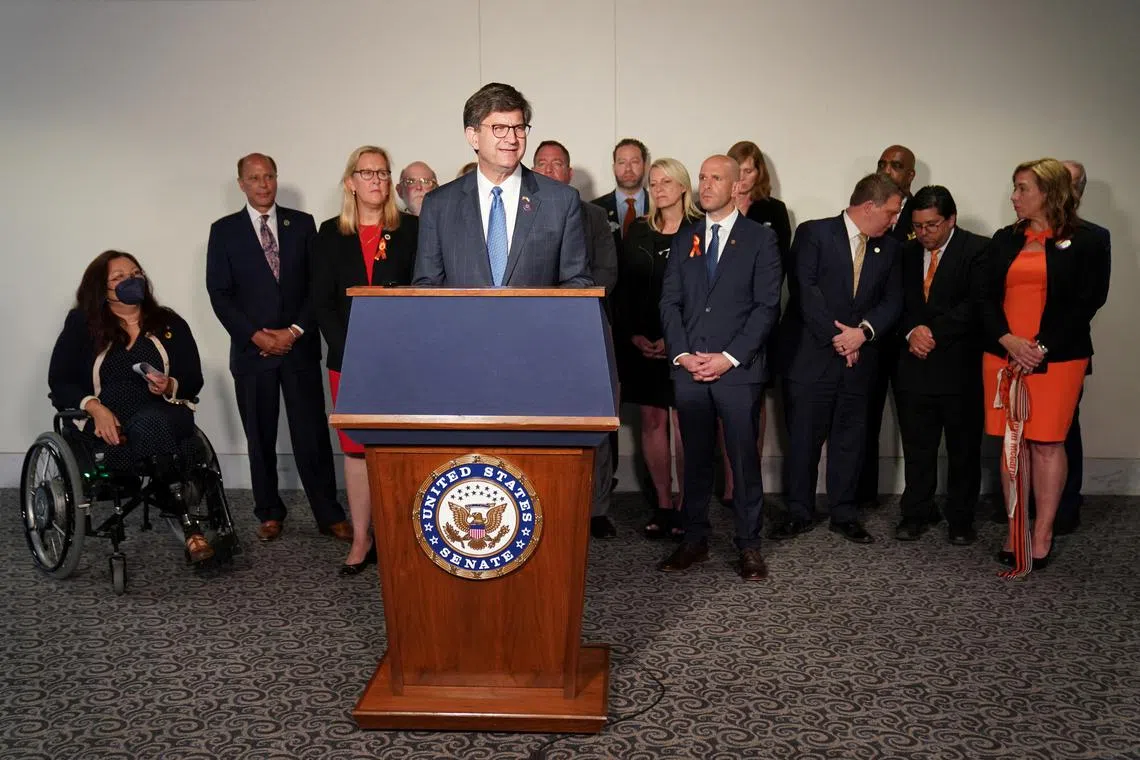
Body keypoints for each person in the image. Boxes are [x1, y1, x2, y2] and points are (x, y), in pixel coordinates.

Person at [206, 153, 350, 545]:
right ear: (241, 184)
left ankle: (328, 513)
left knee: (312, 435)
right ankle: (268, 512)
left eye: (269, 176)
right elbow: (219, 294)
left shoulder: (302, 225)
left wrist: (295, 331)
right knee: (260, 436)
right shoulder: (224, 231)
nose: (263, 184)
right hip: (253, 354)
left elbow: (317, 286)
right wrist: (257, 336)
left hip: (298, 348)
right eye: (254, 178)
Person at [657, 155, 782, 581]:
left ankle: (749, 545)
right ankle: (693, 539)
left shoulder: (760, 240)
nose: (706, 185)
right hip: (690, 369)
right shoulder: (684, 238)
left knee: (743, 460)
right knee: (694, 459)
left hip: (737, 371)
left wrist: (728, 358)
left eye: (716, 179)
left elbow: (767, 308)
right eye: (703, 178)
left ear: (736, 187)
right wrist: (683, 354)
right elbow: (669, 302)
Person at [982, 158, 1109, 576]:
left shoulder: (1090, 240)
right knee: (1012, 442)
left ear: (1049, 194)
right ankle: (1016, 528)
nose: (1014, 197)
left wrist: (1039, 346)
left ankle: (1043, 533)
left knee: (1047, 443)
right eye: (1014, 188)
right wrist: (1008, 340)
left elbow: (1088, 301)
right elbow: (982, 297)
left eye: (1022, 189)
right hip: (1003, 355)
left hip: (1057, 358)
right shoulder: (1004, 239)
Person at [49, 251, 210, 561]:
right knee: (155, 433)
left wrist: (170, 384)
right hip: (110, 419)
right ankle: (189, 524)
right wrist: (94, 408)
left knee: (152, 422)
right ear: (102, 288)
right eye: (119, 277)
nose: (131, 280)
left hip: (164, 410)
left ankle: (180, 510)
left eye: (135, 273)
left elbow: (193, 378)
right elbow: (61, 381)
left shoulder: (169, 322)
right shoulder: (83, 324)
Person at [771, 174, 903, 545]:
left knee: (851, 439)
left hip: (860, 357)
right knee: (803, 440)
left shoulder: (889, 249)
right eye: (891, 213)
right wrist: (838, 337)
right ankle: (799, 511)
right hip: (811, 355)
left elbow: (893, 300)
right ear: (869, 207)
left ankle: (845, 513)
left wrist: (862, 333)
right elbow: (804, 290)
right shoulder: (814, 233)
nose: (894, 221)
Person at [310, 145, 419, 576]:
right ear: (350, 182)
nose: (376, 180)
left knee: (399, 447)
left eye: (383, 173)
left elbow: (422, 293)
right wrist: (351, 351)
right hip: (348, 359)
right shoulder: (329, 234)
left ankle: (400, 535)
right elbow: (322, 303)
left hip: (402, 359)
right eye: (367, 173)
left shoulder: (411, 229)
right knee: (356, 451)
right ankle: (361, 538)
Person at [412, 82, 590, 288]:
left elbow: (577, 283)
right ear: (473, 137)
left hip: (537, 320)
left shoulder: (560, 200)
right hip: (463, 321)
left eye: (519, 128)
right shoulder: (439, 205)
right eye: (500, 129)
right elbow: (427, 287)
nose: (512, 139)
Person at [531, 139, 619, 538]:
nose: (550, 171)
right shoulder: (521, 213)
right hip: (532, 334)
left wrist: (564, 307)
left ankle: (596, 507)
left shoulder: (595, 216)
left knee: (591, 422)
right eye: (542, 164)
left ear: (569, 173)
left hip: (583, 329)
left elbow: (606, 272)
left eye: (557, 164)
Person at [892, 185, 988, 545]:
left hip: (959, 367)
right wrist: (912, 331)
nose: (924, 234)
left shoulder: (978, 249)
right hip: (913, 366)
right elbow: (895, 301)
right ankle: (915, 512)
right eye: (918, 226)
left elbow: (978, 305)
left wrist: (931, 332)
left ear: (951, 219)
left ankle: (961, 519)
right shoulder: (905, 251)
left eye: (932, 225)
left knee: (963, 450)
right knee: (918, 448)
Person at [613, 157, 700, 539]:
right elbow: (626, 290)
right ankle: (664, 505)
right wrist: (634, 334)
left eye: (667, 181)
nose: (659, 188)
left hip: (685, 342)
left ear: (683, 187)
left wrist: (677, 340)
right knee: (651, 421)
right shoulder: (638, 233)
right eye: (654, 183)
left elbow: (703, 296)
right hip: (643, 340)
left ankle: (686, 505)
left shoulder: (700, 232)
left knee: (684, 425)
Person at [855, 144, 918, 510]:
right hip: (873, 333)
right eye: (881, 163)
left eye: (896, 165)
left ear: (910, 176)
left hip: (909, 335)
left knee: (913, 424)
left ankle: (916, 501)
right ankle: (861, 496)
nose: (887, 169)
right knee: (865, 417)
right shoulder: (869, 209)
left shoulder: (920, 214)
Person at [1053, 160, 1111, 535]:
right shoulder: (1019, 234)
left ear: (1079, 191)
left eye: (1066, 183)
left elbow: (1092, 298)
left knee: (1063, 430)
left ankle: (1066, 505)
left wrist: (1045, 341)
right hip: (1020, 350)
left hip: (1065, 350)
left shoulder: (1094, 236)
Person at [727, 140, 792, 258]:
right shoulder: (713, 206)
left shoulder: (775, 209)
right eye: (737, 170)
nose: (741, 177)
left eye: (748, 171)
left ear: (759, 173)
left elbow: (781, 257)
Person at [591, 138, 650, 250]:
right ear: (614, 168)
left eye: (634, 162)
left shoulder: (660, 207)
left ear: (645, 166)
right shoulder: (594, 209)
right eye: (622, 162)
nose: (628, 168)